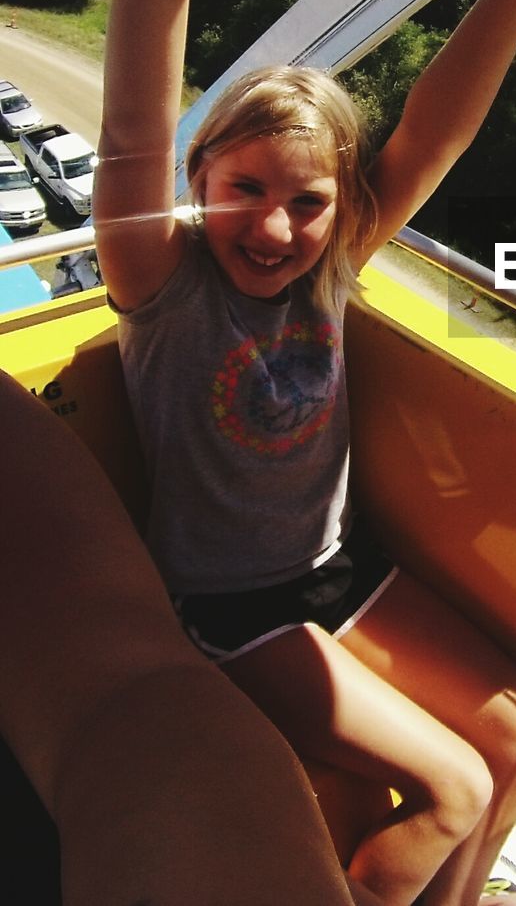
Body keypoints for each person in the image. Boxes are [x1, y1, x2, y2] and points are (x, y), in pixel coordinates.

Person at [94, 0, 516, 906]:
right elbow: (128, 114)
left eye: (308, 199)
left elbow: (435, 124)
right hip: (231, 607)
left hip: (337, 569)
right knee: (454, 791)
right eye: (244, 189)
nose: (274, 226)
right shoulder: (160, 282)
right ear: (197, 179)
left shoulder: (331, 254)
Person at [0, 369, 358, 906]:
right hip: (224, 606)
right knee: (463, 782)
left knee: (499, 754)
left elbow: (131, 698)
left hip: (305, 581)